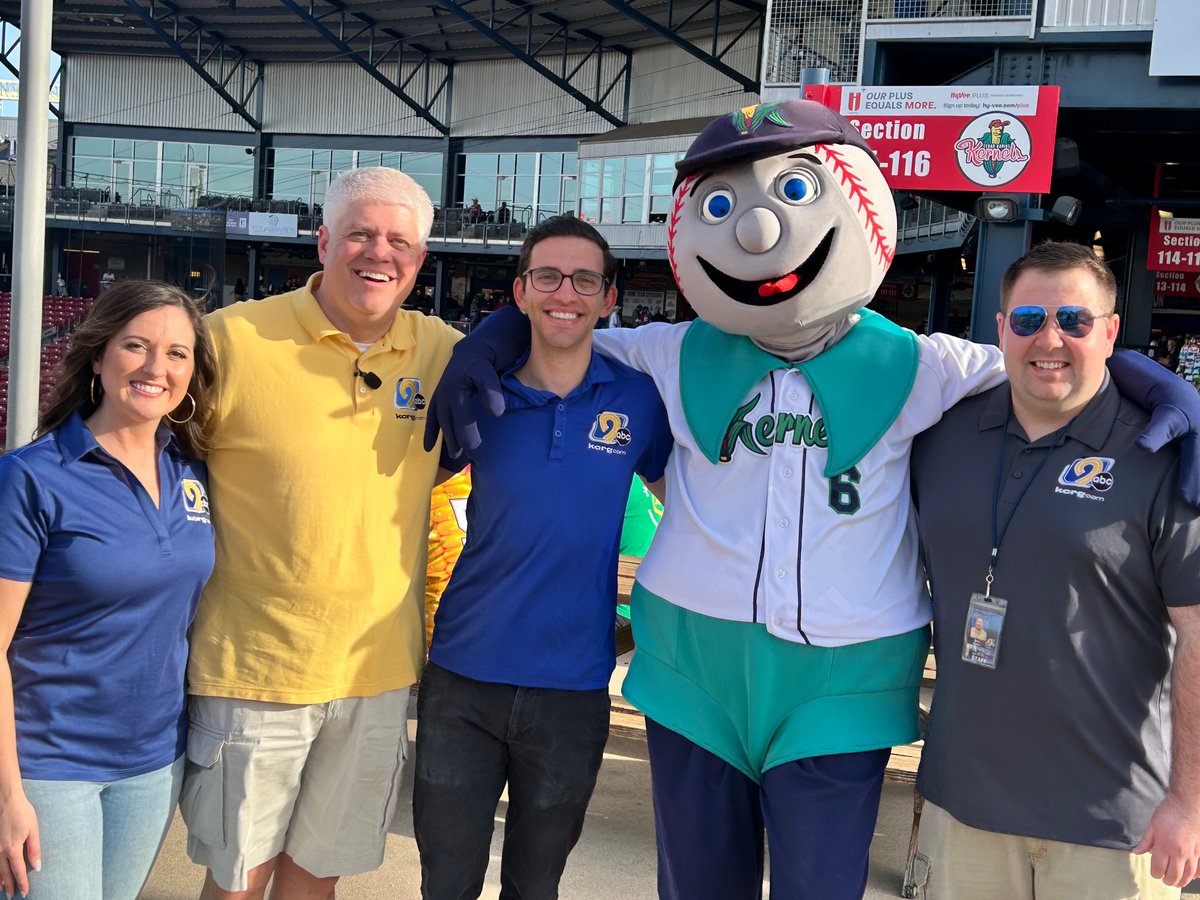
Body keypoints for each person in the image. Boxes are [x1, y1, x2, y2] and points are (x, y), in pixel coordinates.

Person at [427, 101, 1200, 900]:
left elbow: (1043, 361)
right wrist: (492, 335)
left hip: (845, 672)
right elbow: (563, 331)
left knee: (820, 885)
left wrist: (1150, 379)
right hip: (694, 664)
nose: (758, 232)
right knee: (696, 884)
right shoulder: (666, 353)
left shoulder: (921, 366)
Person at [180, 167, 462, 900]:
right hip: (254, 669)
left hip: (376, 670)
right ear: (324, 241)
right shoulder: (232, 339)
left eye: (399, 241)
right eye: (361, 233)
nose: (379, 253)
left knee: (316, 883)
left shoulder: (443, 351)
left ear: (420, 258)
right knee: (236, 884)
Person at [911, 242, 1200, 899]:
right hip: (964, 808)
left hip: (1115, 823)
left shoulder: (1165, 451)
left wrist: (1190, 801)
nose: (1050, 339)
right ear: (999, 329)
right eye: (1028, 319)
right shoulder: (938, 436)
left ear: (1111, 332)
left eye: (1075, 320)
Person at [412, 216, 672, 900]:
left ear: (609, 299)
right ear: (521, 292)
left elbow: (691, 505)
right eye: (549, 276)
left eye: (586, 280)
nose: (566, 293)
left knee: (536, 885)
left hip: (572, 687)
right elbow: (398, 496)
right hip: (463, 676)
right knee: (446, 883)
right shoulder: (477, 394)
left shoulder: (637, 400)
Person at [0, 280, 216, 900]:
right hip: (49, 766)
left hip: (154, 761)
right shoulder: (30, 477)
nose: (156, 368)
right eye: (136, 346)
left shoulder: (193, 470)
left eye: (176, 353)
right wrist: (8, 795)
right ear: (97, 356)